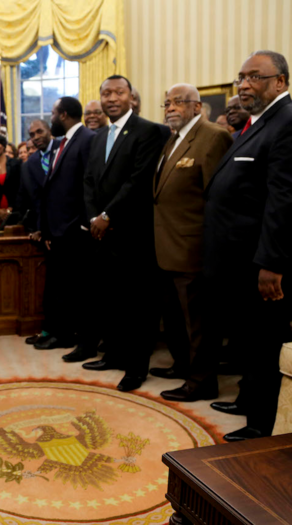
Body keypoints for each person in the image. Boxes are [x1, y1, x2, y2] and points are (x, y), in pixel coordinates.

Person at [170, 51, 292, 442]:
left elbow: (283, 200)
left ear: (281, 82)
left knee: (262, 343)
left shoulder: (286, 123)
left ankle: (260, 424)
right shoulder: (260, 123)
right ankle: (246, 400)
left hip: (259, 264)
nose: (243, 85)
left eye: (255, 77)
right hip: (235, 261)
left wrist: (271, 263)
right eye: (241, 77)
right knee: (246, 341)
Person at [81, 75, 169, 392]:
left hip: (133, 233)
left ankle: (136, 368)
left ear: (131, 97)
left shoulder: (149, 131)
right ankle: (113, 355)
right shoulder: (99, 135)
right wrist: (94, 217)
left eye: (119, 92)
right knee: (111, 301)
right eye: (106, 93)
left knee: (137, 307)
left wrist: (107, 215)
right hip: (102, 234)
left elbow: (139, 180)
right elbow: (89, 180)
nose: (112, 98)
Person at [145, 84, 232, 393]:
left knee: (199, 323)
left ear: (197, 106)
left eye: (179, 102)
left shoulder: (212, 137)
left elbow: (218, 200)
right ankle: (183, 366)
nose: (171, 107)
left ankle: (202, 381)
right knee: (176, 321)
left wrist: (212, 251)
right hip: (166, 250)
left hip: (194, 250)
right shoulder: (173, 140)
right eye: (167, 103)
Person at [38, 97, 97, 355]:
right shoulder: (62, 142)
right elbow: (52, 188)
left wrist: (83, 225)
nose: (50, 118)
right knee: (62, 288)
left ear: (62, 115)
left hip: (76, 231)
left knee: (81, 292)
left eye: (52, 114)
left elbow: (89, 185)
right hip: (58, 230)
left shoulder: (87, 138)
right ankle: (61, 335)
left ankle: (83, 342)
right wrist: (49, 228)